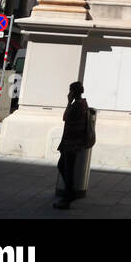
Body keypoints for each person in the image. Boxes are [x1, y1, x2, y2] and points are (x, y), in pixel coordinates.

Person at [54, 81, 92, 210]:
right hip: (74, 143)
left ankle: (68, 196)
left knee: (66, 168)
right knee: (64, 166)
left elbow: (65, 117)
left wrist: (68, 102)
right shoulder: (84, 103)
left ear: (74, 92)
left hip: (71, 143)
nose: (69, 94)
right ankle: (70, 193)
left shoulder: (76, 105)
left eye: (70, 91)